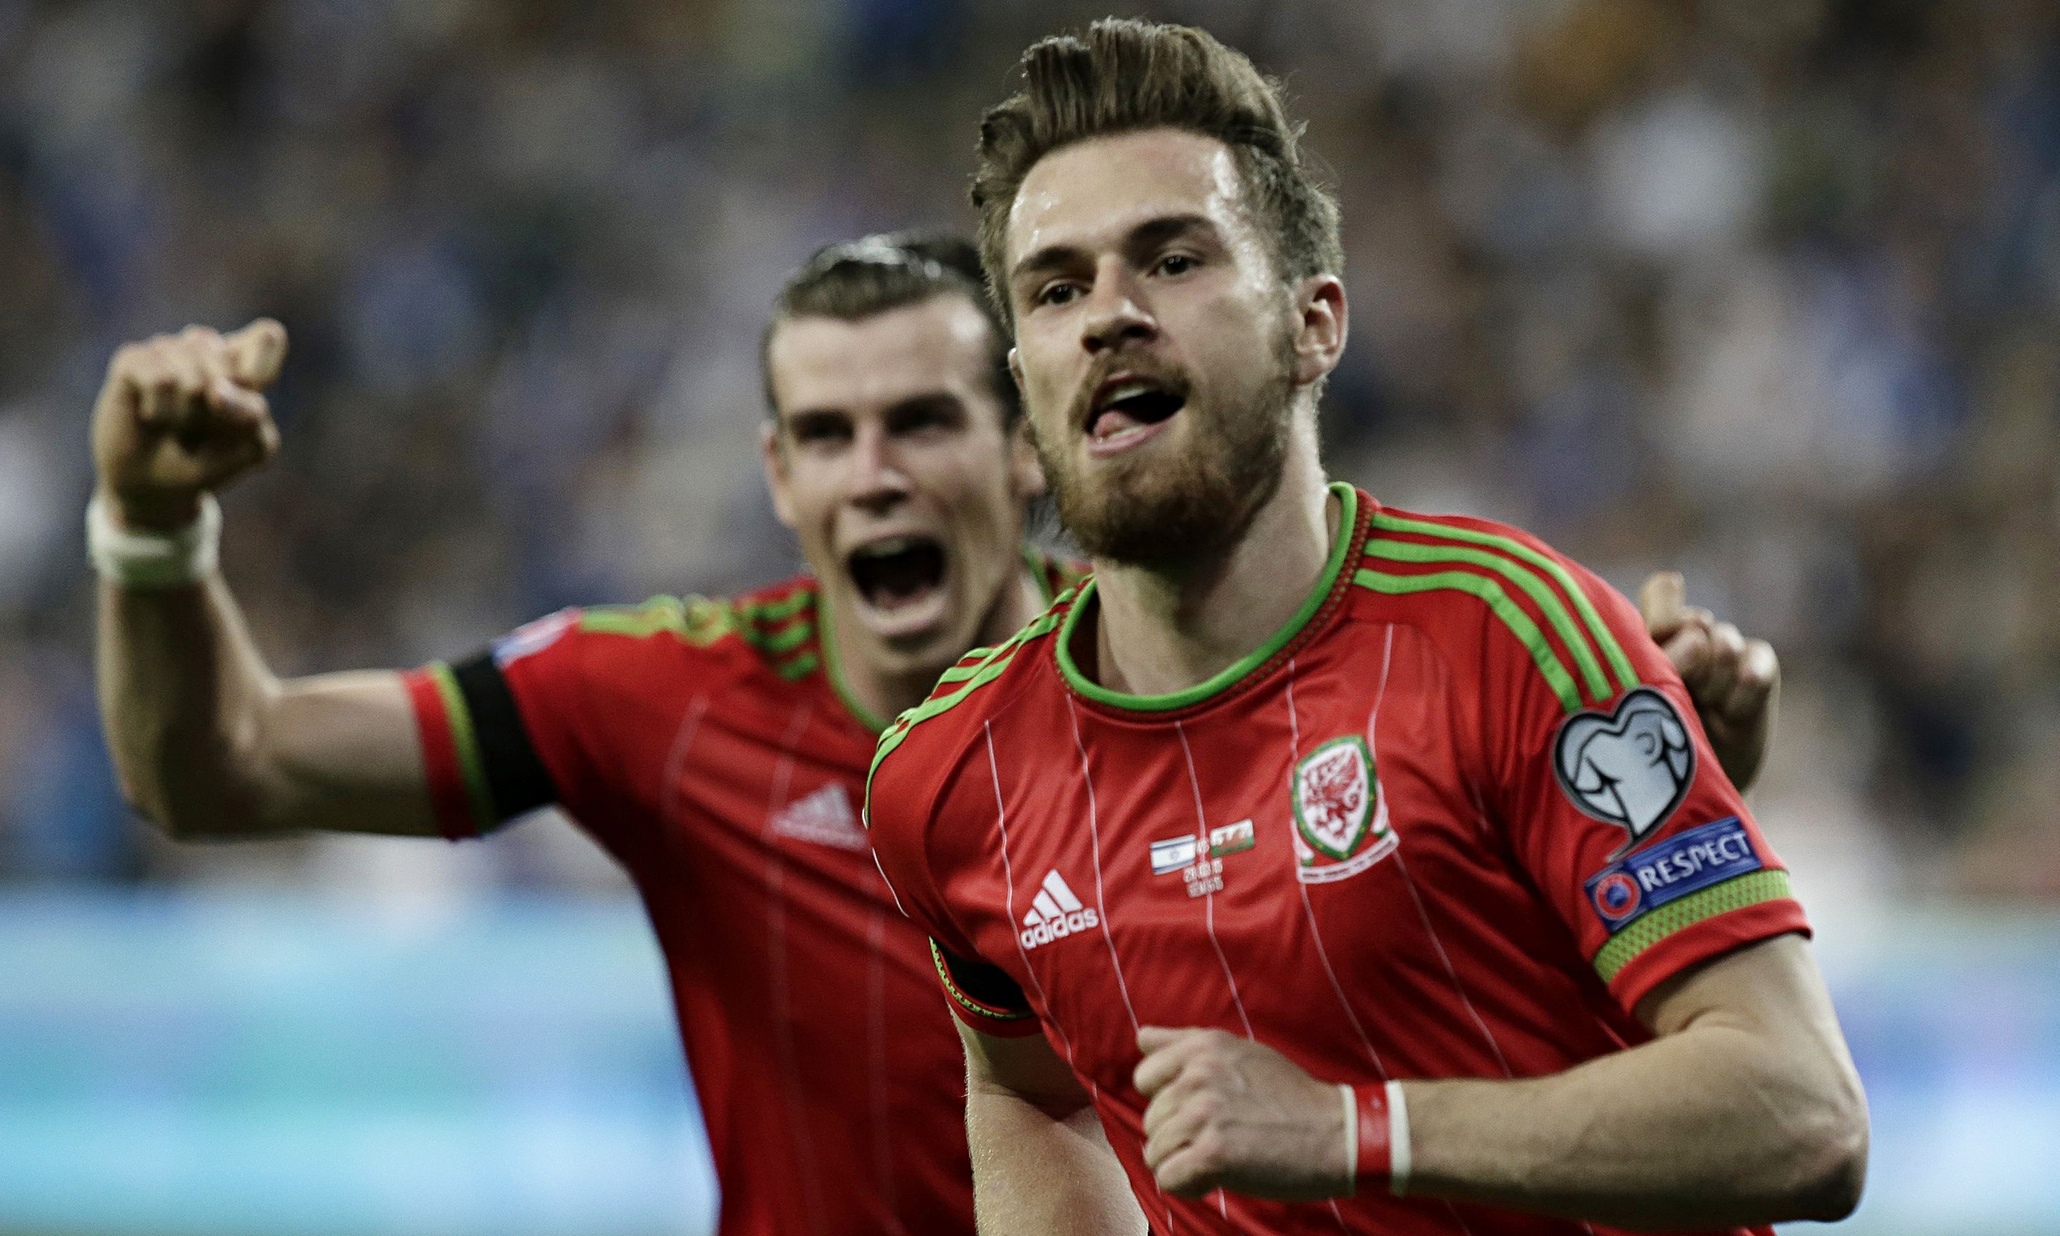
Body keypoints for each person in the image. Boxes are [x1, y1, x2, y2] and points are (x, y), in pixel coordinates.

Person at [89, 232, 1775, 1232]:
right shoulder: (655, 700)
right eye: (825, 433)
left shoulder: (1195, 682)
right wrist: (152, 537)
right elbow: (215, 767)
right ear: (776, 475)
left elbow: (1458, 916)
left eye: (920, 420)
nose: (873, 471)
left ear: (1027, 443)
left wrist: (1642, 768)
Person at [863, 21, 1864, 1236]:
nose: (1107, 316)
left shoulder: (1506, 636)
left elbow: (1803, 1116)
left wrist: (1348, 1130)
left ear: (1313, 323)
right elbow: (1022, 1090)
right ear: (1021, 378)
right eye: (1057, 287)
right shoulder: (945, 779)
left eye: (1172, 259)